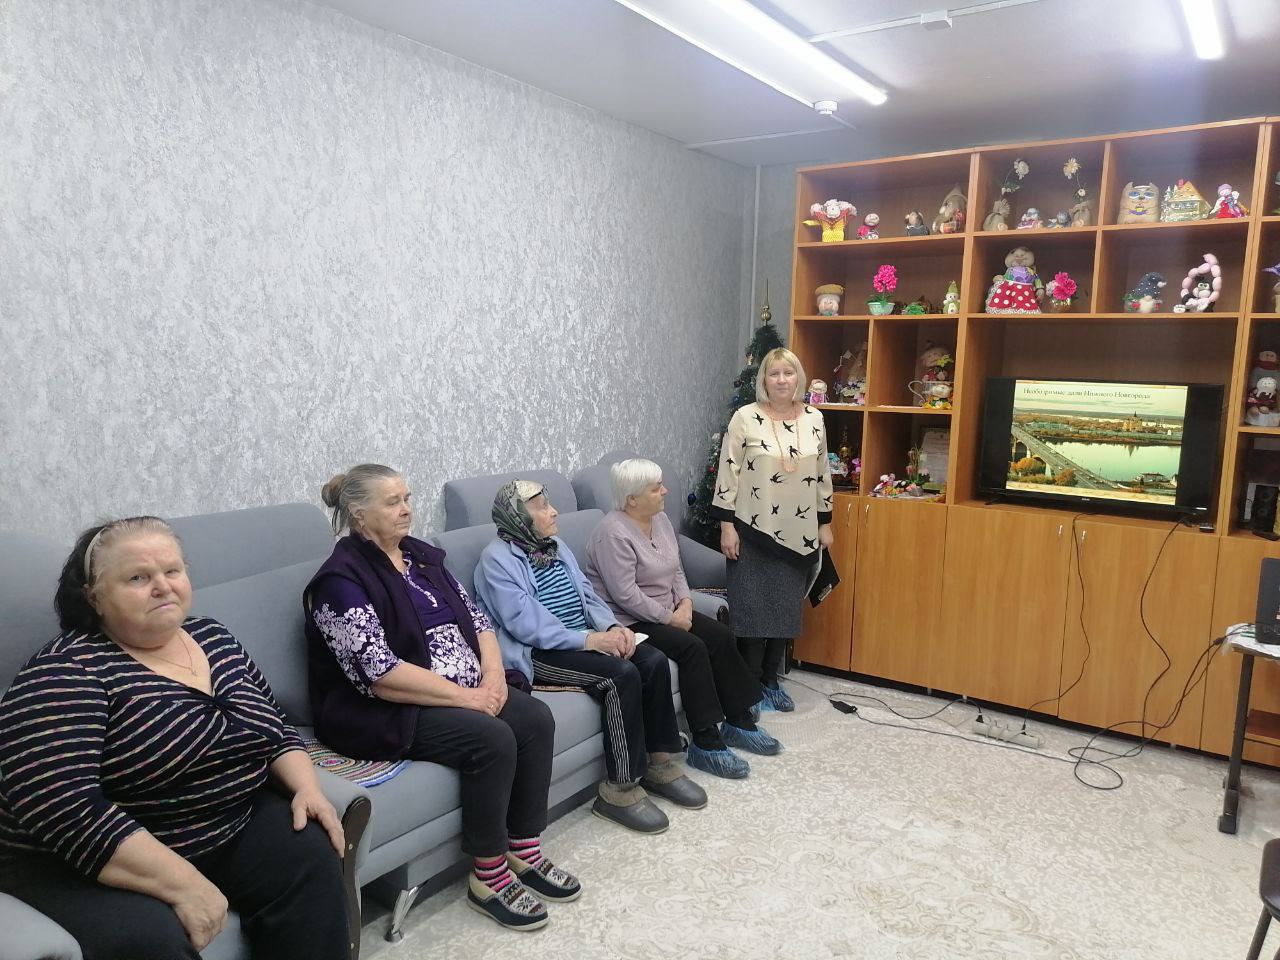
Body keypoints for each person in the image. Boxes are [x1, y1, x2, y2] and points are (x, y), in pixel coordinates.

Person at [0, 517, 349, 960]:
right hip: (82, 859)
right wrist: (185, 885)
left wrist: (307, 787)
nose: (162, 586)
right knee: (150, 940)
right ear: (93, 596)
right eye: (137, 578)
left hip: (218, 822)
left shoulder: (213, 637)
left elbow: (274, 724)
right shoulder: (66, 671)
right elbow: (61, 808)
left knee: (310, 856)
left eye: (172, 571)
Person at [305, 464, 577, 933]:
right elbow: (380, 673)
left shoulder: (421, 558)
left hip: (466, 686)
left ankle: (523, 848)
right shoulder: (339, 581)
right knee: (491, 739)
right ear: (358, 513)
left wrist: (493, 677)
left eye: (407, 498)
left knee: (534, 719)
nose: (406, 509)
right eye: (392, 502)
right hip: (387, 707)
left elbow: (478, 621)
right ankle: (488, 877)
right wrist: (467, 699)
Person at [474, 480, 706, 836]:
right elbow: (525, 624)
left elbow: (588, 594)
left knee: (652, 660)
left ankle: (659, 764)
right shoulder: (496, 560)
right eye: (541, 507)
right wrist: (589, 640)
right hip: (539, 651)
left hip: (581, 635)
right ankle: (619, 791)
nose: (553, 512)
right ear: (517, 516)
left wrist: (612, 627)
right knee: (619, 675)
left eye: (550, 503)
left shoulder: (556, 547)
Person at [584, 458, 780, 779]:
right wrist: (670, 618)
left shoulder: (659, 519)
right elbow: (625, 595)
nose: (665, 491)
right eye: (655, 488)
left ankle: (739, 721)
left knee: (720, 635)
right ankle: (706, 741)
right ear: (632, 499)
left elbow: (675, 568)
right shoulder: (612, 534)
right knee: (691, 648)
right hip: (629, 620)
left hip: (668, 610)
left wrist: (686, 602)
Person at [711, 347, 835, 712]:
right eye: (774, 373)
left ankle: (770, 681)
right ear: (764, 379)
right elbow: (728, 471)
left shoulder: (814, 418)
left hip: (800, 533)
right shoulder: (745, 417)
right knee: (751, 612)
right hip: (752, 528)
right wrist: (726, 527)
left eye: (788, 373)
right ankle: (749, 687)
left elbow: (822, 474)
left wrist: (825, 524)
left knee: (784, 612)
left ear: (798, 378)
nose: (781, 380)